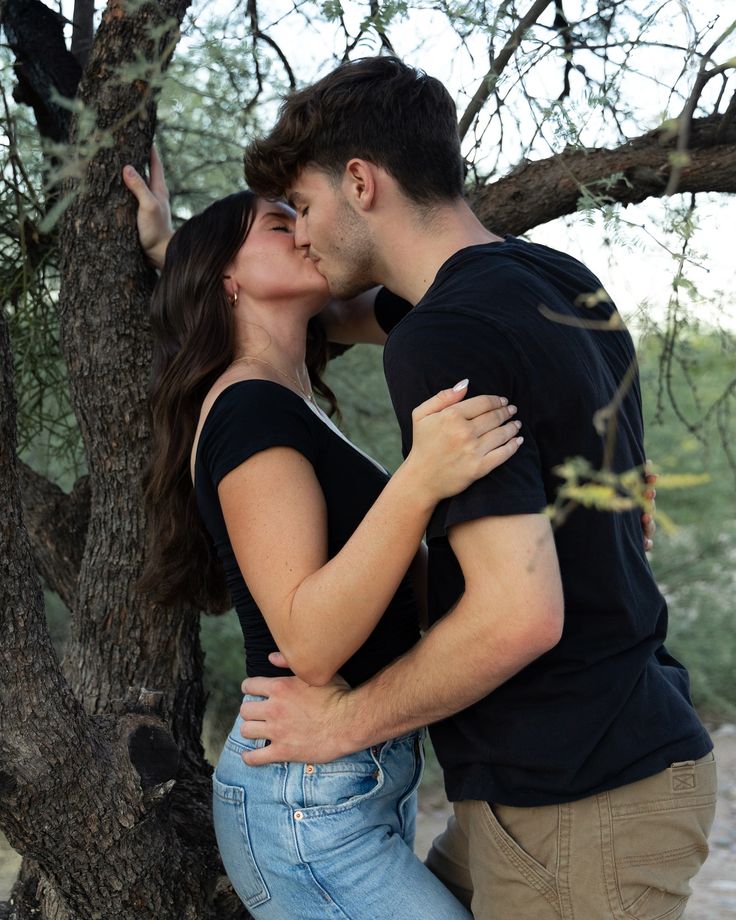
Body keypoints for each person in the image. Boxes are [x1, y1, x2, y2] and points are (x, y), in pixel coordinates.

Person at [227, 56, 717, 920]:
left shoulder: (444, 340)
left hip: (580, 799)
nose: (298, 235)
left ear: (360, 182)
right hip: (590, 764)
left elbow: (519, 616)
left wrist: (339, 726)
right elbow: (340, 309)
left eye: (301, 208)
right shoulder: (556, 278)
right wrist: (190, 268)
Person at [133, 178, 527, 918]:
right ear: (228, 277)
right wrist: (421, 480)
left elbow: (422, 289)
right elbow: (308, 642)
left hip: (349, 777)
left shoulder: (283, 391)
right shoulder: (249, 407)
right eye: (281, 226)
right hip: (306, 802)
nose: (306, 232)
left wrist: (167, 248)